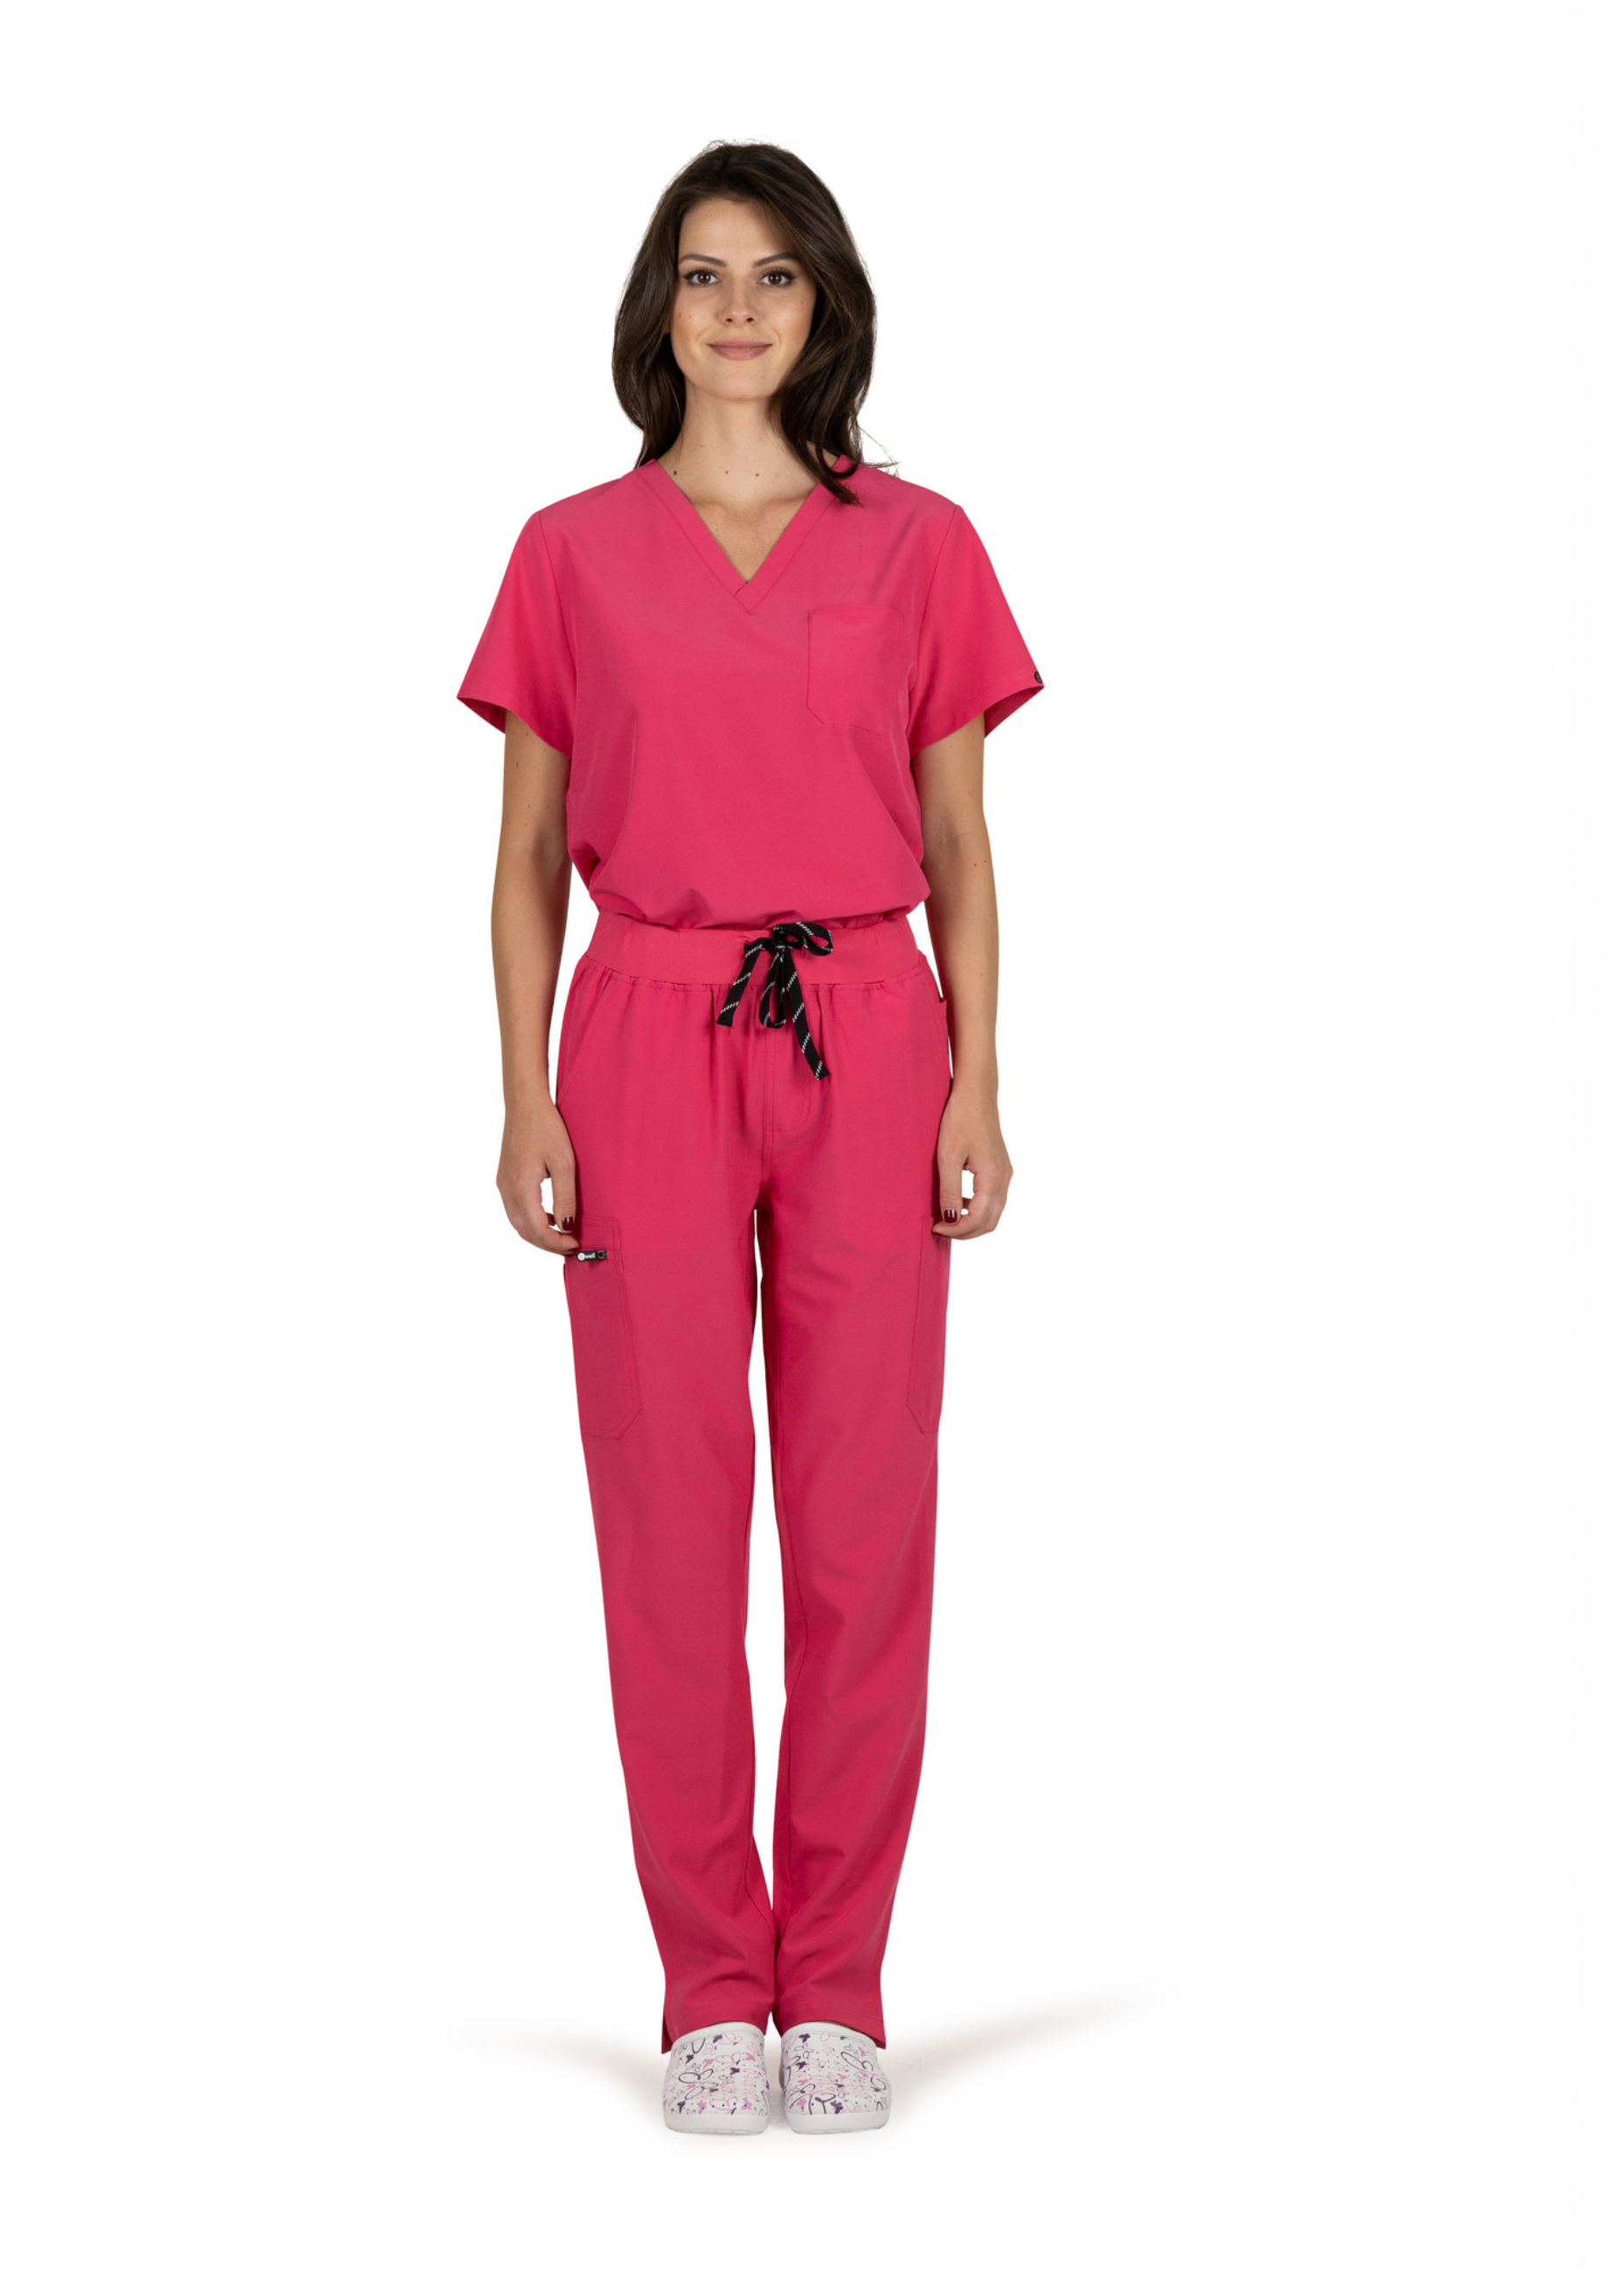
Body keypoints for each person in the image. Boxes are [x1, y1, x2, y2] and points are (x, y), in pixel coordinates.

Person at [458, 140, 1042, 2135]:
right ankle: (715, 1983)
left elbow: (959, 841)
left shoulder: (920, 545)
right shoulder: (568, 551)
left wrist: (977, 1076)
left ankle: (840, 1987)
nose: (734, 308)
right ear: (659, 305)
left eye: (772, 274)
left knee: (866, 1514)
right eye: (702, 273)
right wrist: (524, 1091)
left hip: (868, 1024)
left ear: (823, 305)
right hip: (642, 1026)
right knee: (668, 1514)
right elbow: (526, 854)